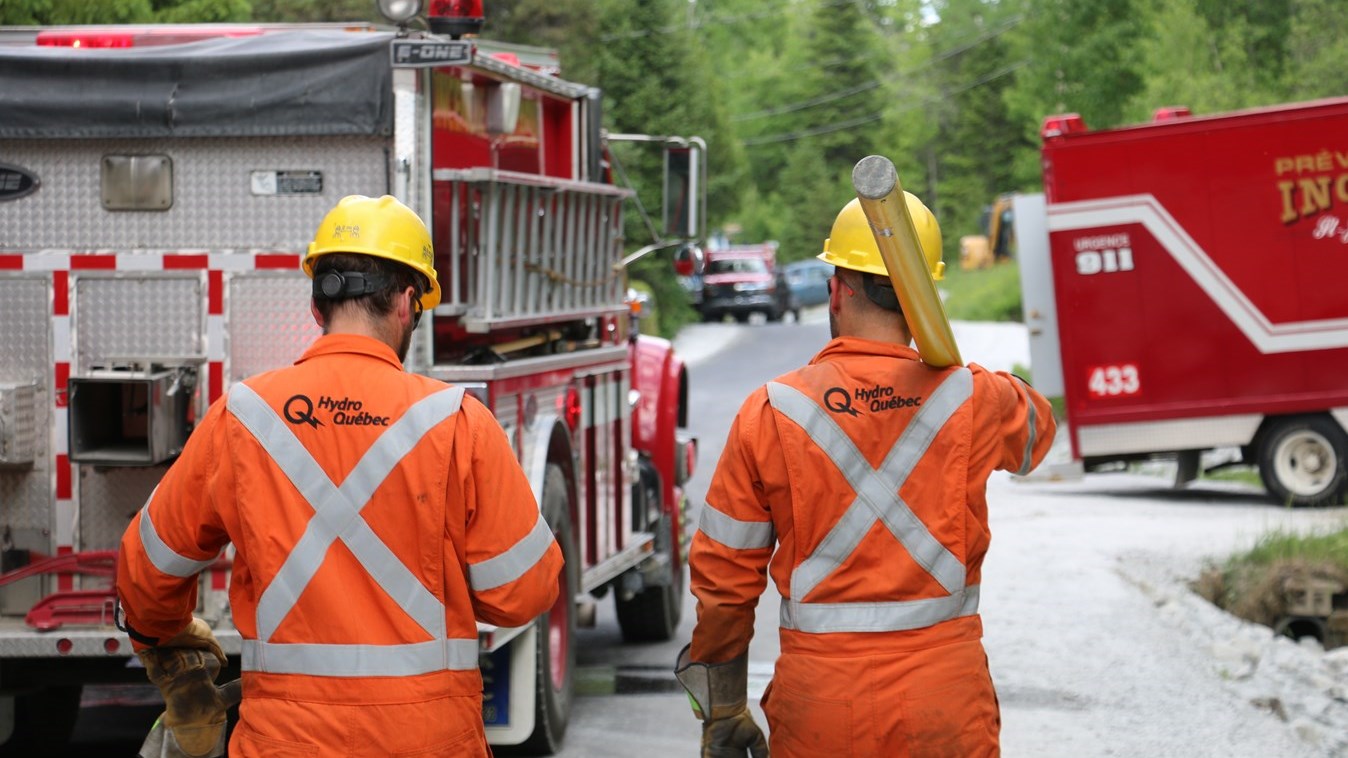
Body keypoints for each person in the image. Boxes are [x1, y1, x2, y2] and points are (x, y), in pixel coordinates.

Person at [116, 195, 563, 757]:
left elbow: (146, 572)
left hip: (284, 742)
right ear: (407, 303)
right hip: (428, 741)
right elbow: (524, 592)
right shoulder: (457, 422)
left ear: (316, 306)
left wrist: (170, 644)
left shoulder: (243, 416)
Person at [676, 193, 1056, 757]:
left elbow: (724, 581)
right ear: (924, 294)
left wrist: (726, 706)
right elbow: (1037, 436)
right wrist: (953, 365)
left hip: (821, 704)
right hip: (943, 699)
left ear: (836, 288)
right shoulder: (975, 397)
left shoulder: (771, 411)